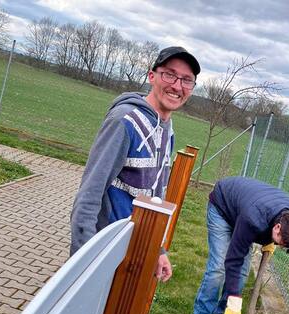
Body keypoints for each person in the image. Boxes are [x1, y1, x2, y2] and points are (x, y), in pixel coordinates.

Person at [70, 46, 200, 283]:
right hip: (104, 251)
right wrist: (82, 266)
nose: (177, 86)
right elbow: (89, 196)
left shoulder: (167, 129)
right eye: (169, 75)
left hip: (132, 255)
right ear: (152, 75)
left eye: (186, 80)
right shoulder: (124, 122)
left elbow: (154, 197)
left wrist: (158, 250)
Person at [189, 176, 289, 314]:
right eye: (279, 242)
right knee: (218, 268)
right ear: (277, 227)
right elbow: (233, 259)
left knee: (243, 273)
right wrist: (234, 299)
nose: (279, 246)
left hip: (246, 205)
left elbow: (241, 266)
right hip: (223, 207)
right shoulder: (254, 218)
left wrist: (271, 243)